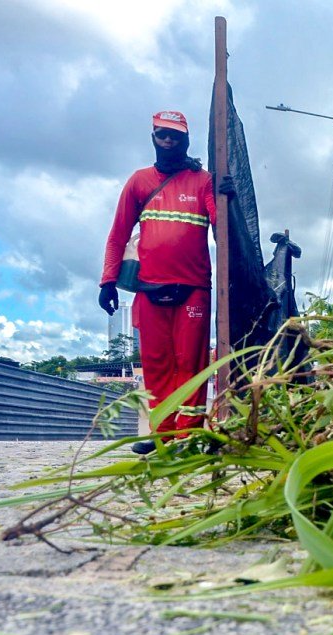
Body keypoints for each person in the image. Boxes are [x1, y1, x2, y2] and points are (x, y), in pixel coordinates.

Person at [98, 110, 227, 455]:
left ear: (186, 140)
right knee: (156, 363)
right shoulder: (139, 181)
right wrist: (107, 281)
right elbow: (118, 234)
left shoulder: (203, 181)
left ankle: (190, 435)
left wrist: (229, 200)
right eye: (162, 135)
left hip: (193, 288)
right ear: (153, 137)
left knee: (191, 361)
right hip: (149, 289)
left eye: (175, 136)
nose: (168, 141)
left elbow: (220, 227)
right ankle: (163, 434)